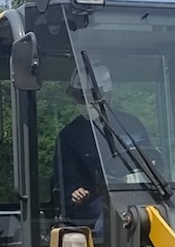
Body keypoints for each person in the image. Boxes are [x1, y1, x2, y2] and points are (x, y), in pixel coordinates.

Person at [55, 63, 153, 232]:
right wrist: (74, 193)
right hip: (91, 208)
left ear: (107, 94)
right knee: (107, 223)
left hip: (138, 198)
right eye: (80, 97)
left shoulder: (131, 126)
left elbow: (151, 162)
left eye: (90, 96)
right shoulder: (69, 136)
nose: (85, 102)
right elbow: (64, 177)